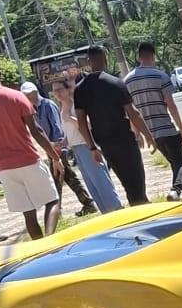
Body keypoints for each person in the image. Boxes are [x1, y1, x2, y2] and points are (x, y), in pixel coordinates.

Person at [0, 58, 64, 240]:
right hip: (28, 160)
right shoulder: (16, 96)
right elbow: (36, 130)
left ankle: (38, 247)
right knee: (52, 201)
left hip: (4, 167)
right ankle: (49, 241)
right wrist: (54, 156)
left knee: (28, 213)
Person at [73, 44, 153, 205]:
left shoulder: (80, 89)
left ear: (89, 61)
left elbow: (81, 123)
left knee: (127, 185)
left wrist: (92, 148)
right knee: (137, 185)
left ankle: (139, 210)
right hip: (125, 141)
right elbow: (133, 113)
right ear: (106, 59)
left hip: (105, 145)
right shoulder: (115, 83)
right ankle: (144, 213)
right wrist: (148, 135)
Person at [125, 42, 182, 199]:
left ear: (138, 57)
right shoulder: (161, 76)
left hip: (149, 131)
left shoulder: (127, 81)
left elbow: (129, 111)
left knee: (174, 163)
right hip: (166, 127)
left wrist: (137, 132)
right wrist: (181, 129)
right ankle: (175, 190)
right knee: (180, 163)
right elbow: (171, 105)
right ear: (153, 56)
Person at [51, 73, 121, 213]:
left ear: (67, 89)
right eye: (54, 90)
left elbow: (87, 125)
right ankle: (106, 212)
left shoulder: (75, 106)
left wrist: (70, 118)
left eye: (59, 89)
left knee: (101, 181)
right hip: (76, 149)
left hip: (88, 146)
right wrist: (61, 143)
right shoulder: (62, 109)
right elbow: (70, 134)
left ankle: (116, 208)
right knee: (92, 184)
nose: (57, 93)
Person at [22, 80, 94, 215]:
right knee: (67, 176)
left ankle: (57, 209)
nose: (26, 97)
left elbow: (56, 127)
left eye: (28, 94)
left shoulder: (48, 105)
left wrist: (57, 146)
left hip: (58, 146)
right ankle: (87, 203)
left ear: (35, 93)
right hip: (51, 147)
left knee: (57, 177)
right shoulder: (32, 109)